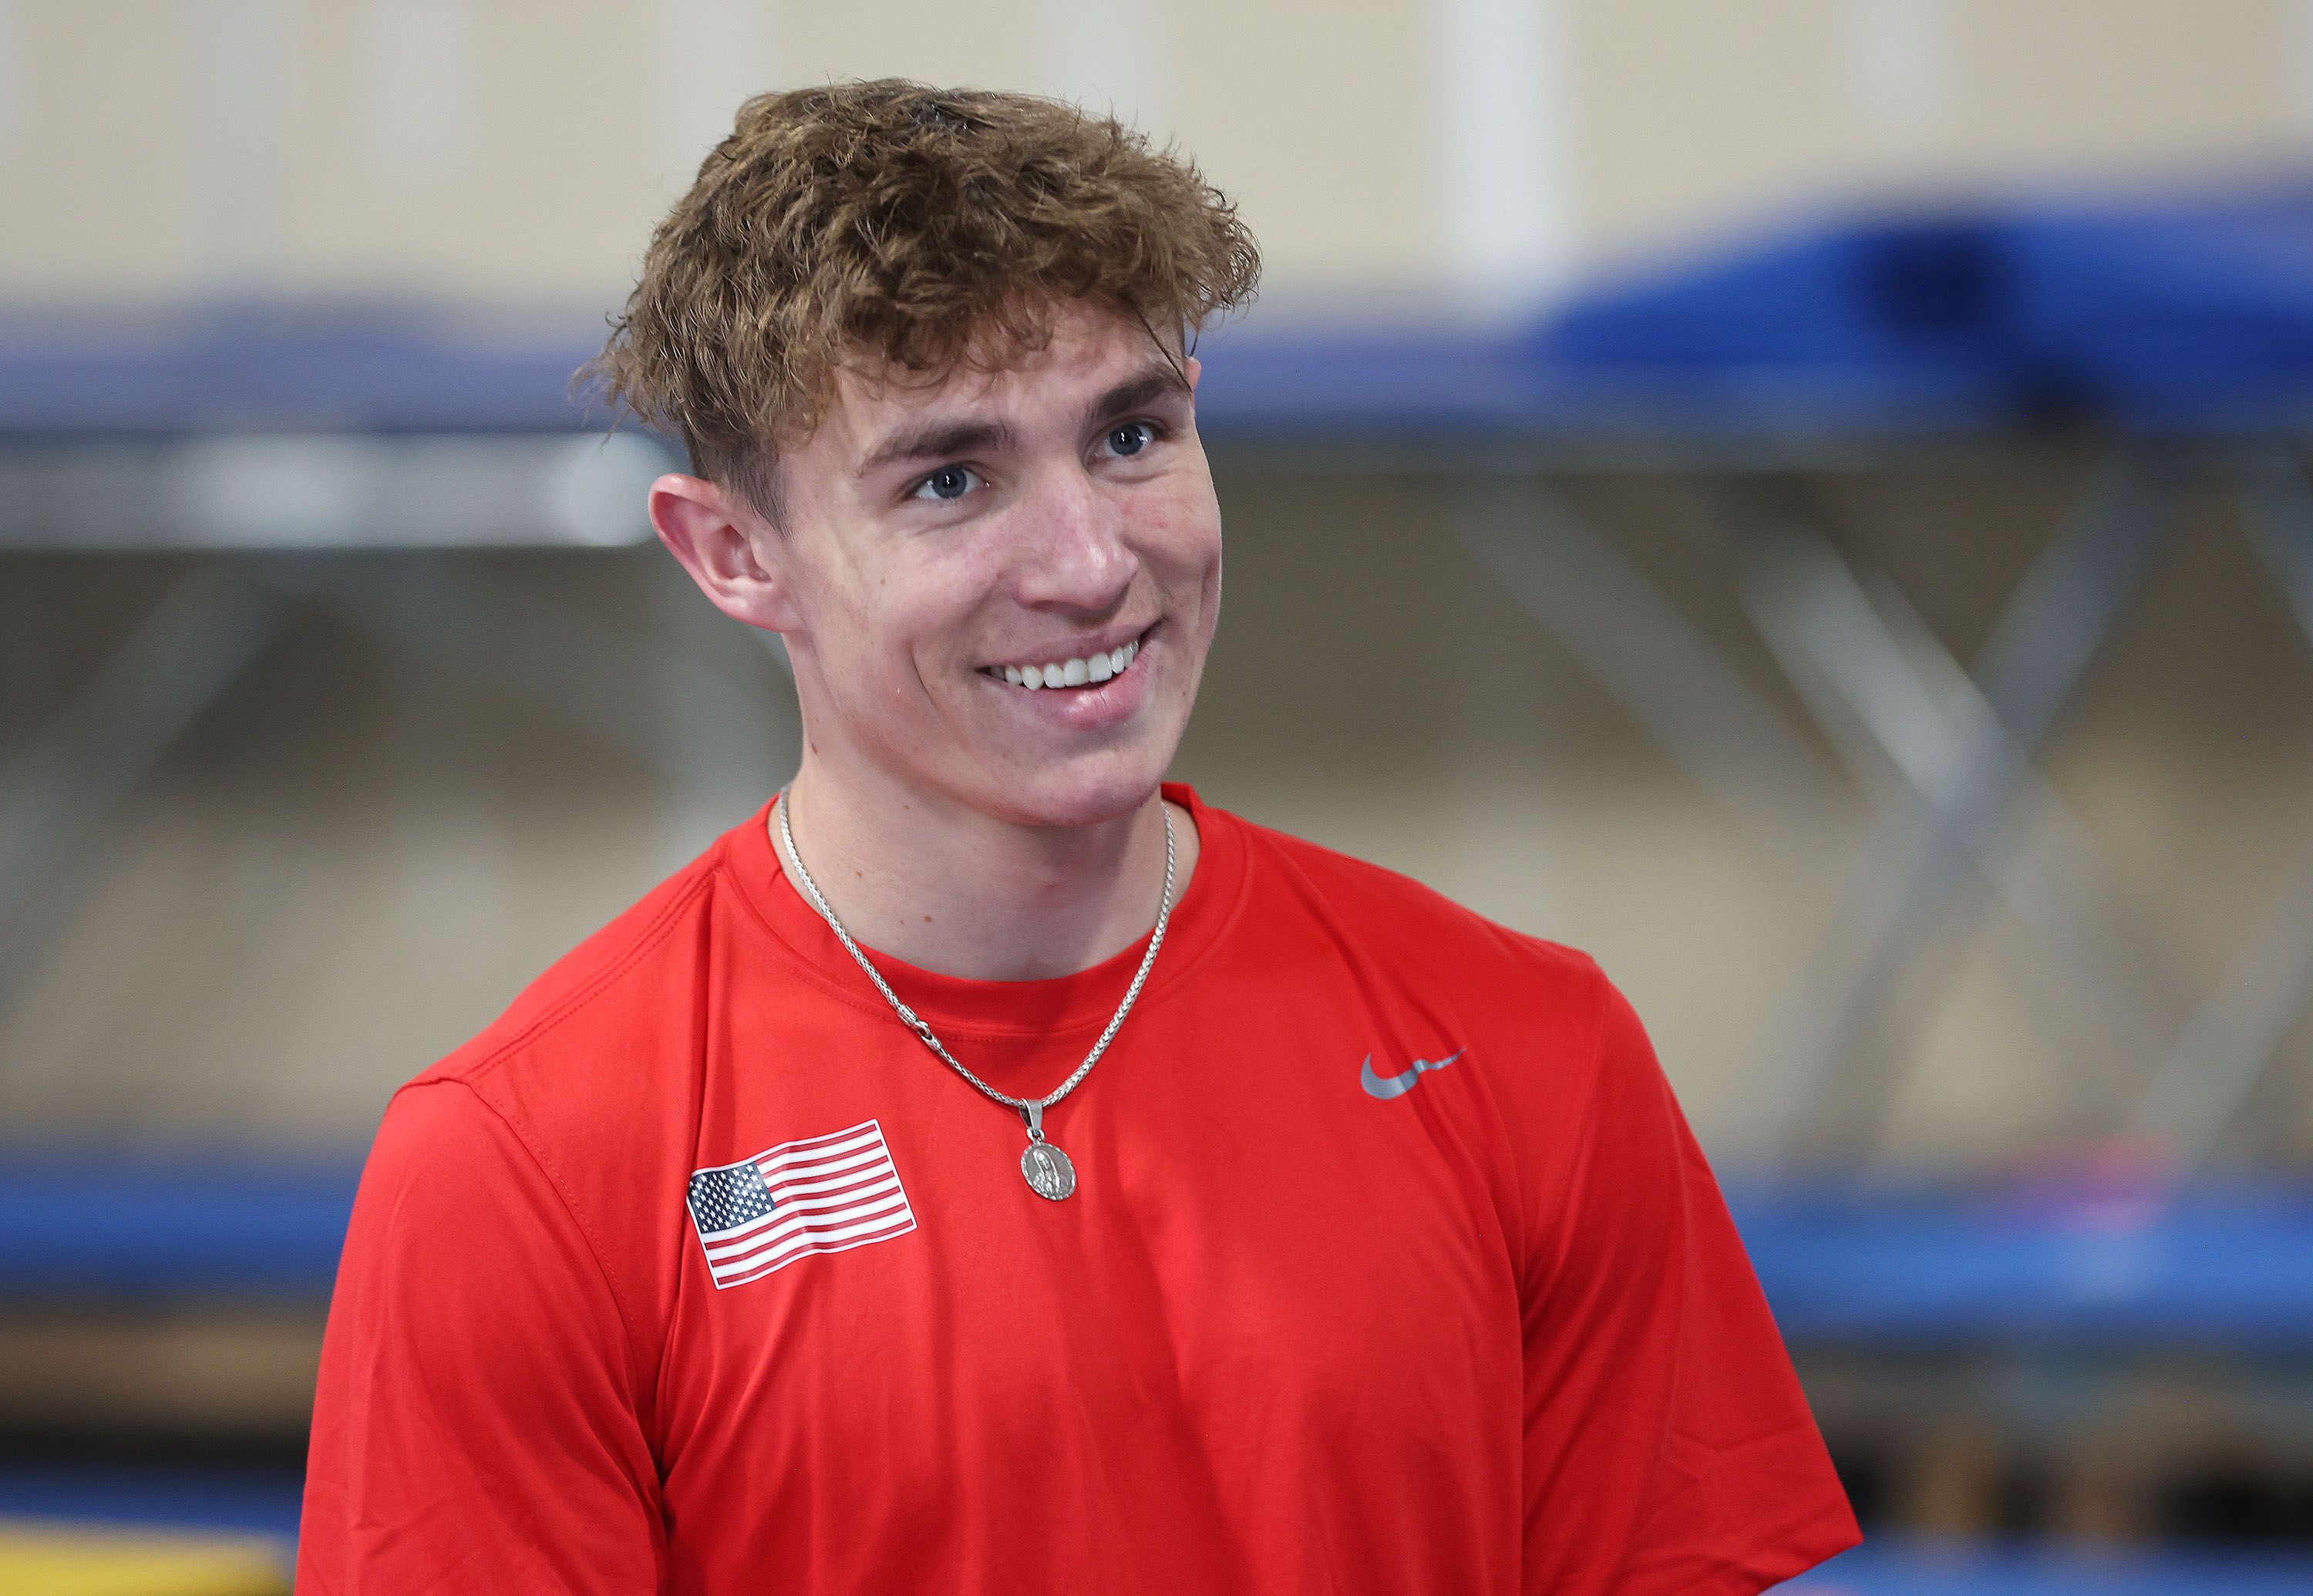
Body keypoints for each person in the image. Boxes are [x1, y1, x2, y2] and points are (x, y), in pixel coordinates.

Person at [298, 79, 1860, 1594]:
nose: (1091, 562)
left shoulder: (1523, 1050)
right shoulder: (521, 1174)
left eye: (1131, 436)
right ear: (733, 554)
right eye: (953, 478)